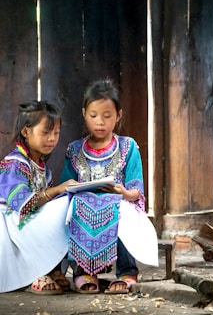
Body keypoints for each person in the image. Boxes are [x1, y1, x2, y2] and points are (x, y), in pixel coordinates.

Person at [0, 101, 76, 294]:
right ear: (26, 132)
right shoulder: (14, 163)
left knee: (67, 206)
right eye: (45, 132)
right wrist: (59, 189)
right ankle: (34, 273)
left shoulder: (43, 169)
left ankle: (50, 269)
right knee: (60, 203)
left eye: (56, 133)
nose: (52, 138)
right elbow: (24, 205)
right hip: (6, 225)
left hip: (21, 221)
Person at [61, 79, 158, 294]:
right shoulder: (74, 149)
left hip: (118, 202)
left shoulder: (128, 146)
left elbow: (136, 192)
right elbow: (65, 188)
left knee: (120, 209)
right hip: (84, 204)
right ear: (84, 113)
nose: (100, 122)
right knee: (76, 206)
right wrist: (76, 189)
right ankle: (84, 272)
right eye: (93, 116)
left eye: (107, 116)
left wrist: (124, 192)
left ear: (118, 115)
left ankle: (126, 272)